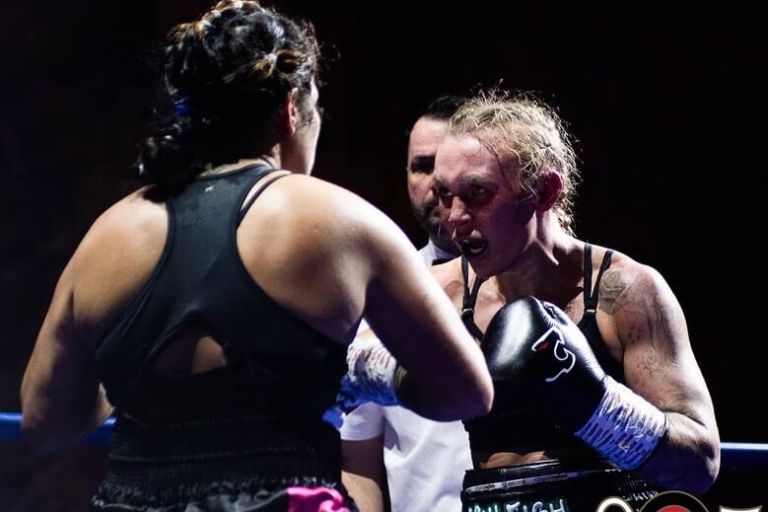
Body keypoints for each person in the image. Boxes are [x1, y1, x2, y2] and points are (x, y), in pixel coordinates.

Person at [18, 3, 493, 511]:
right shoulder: (338, 220)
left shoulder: (109, 234)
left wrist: (138, 376)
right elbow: (466, 392)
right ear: (291, 110)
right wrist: (374, 375)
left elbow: (45, 423)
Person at [343, 89, 720, 511]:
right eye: (445, 195)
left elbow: (699, 465)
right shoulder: (437, 294)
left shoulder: (624, 294)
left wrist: (597, 404)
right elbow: (341, 377)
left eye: (477, 192)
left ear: (545, 191)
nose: (454, 218)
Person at [340, 95, 471, 512]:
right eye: (423, 166)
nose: (437, 182)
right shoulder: (378, 298)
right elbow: (358, 461)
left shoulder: (552, 281)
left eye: (449, 165)